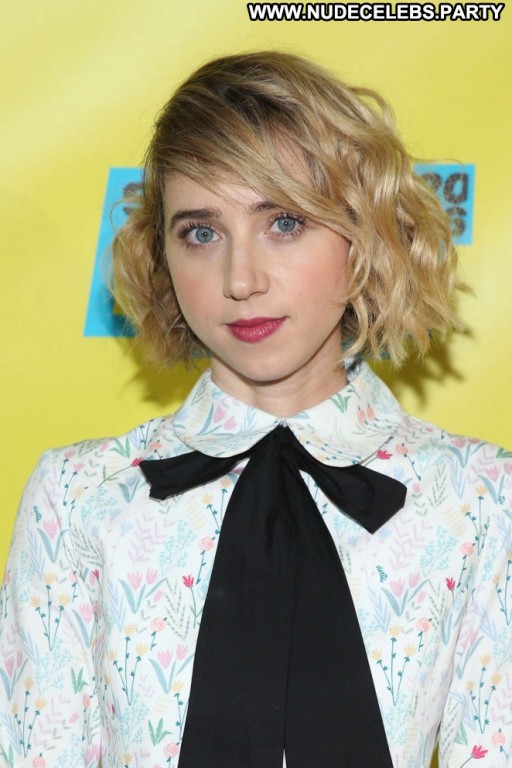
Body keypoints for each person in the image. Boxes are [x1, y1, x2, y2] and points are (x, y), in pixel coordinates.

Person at [0, 51, 510, 768]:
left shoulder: (478, 499)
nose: (240, 279)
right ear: (162, 257)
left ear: (363, 234)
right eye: (201, 233)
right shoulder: (77, 498)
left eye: (284, 223)